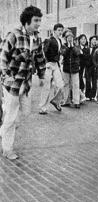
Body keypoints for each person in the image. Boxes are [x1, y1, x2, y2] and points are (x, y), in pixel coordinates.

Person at [0, 6, 46, 159]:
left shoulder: (37, 38)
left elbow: (40, 58)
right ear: (27, 21)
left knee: (24, 114)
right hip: (12, 84)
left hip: (25, 84)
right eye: (36, 20)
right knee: (12, 117)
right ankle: (7, 149)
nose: (38, 23)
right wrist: (6, 75)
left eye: (39, 20)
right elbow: (2, 57)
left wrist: (42, 75)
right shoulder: (14, 35)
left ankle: (4, 129)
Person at [39, 23, 64, 114]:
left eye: (61, 30)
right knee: (46, 87)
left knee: (61, 85)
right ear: (54, 31)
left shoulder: (60, 41)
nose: (60, 32)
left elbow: (59, 53)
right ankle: (42, 108)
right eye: (59, 30)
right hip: (48, 65)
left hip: (56, 64)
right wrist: (46, 63)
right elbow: (43, 52)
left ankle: (56, 101)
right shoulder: (48, 40)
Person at [61, 31, 81, 108]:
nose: (69, 39)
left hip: (75, 68)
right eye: (68, 37)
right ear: (66, 38)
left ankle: (76, 101)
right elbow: (63, 53)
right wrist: (68, 47)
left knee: (75, 85)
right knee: (66, 84)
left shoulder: (76, 46)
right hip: (66, 68)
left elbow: (77, 53)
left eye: (71, 37)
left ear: (73, 38)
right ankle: (66, 101)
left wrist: (72, 46)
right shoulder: (63, 46)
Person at [85, 35, 98, 101]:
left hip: (95, 67)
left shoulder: (97, 49)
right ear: (90, 41)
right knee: (88, 81)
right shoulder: (87, 48)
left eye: (95, 40)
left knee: (94, 81)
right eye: (93, 39)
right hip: (88, 67)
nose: (94, 41)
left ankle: (93, 95)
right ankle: (87, 95)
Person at [78, 34, 89, 101]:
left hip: (83, 67)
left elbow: (87, 57)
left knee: (81, 79)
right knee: (78, 80)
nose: (83, 40)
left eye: (85, 39)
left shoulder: (87, 49)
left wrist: (82, 53)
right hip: (77, 66)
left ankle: (81, 95)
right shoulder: (77, 47)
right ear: (79, 40)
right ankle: (80, 96)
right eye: (82, 39)